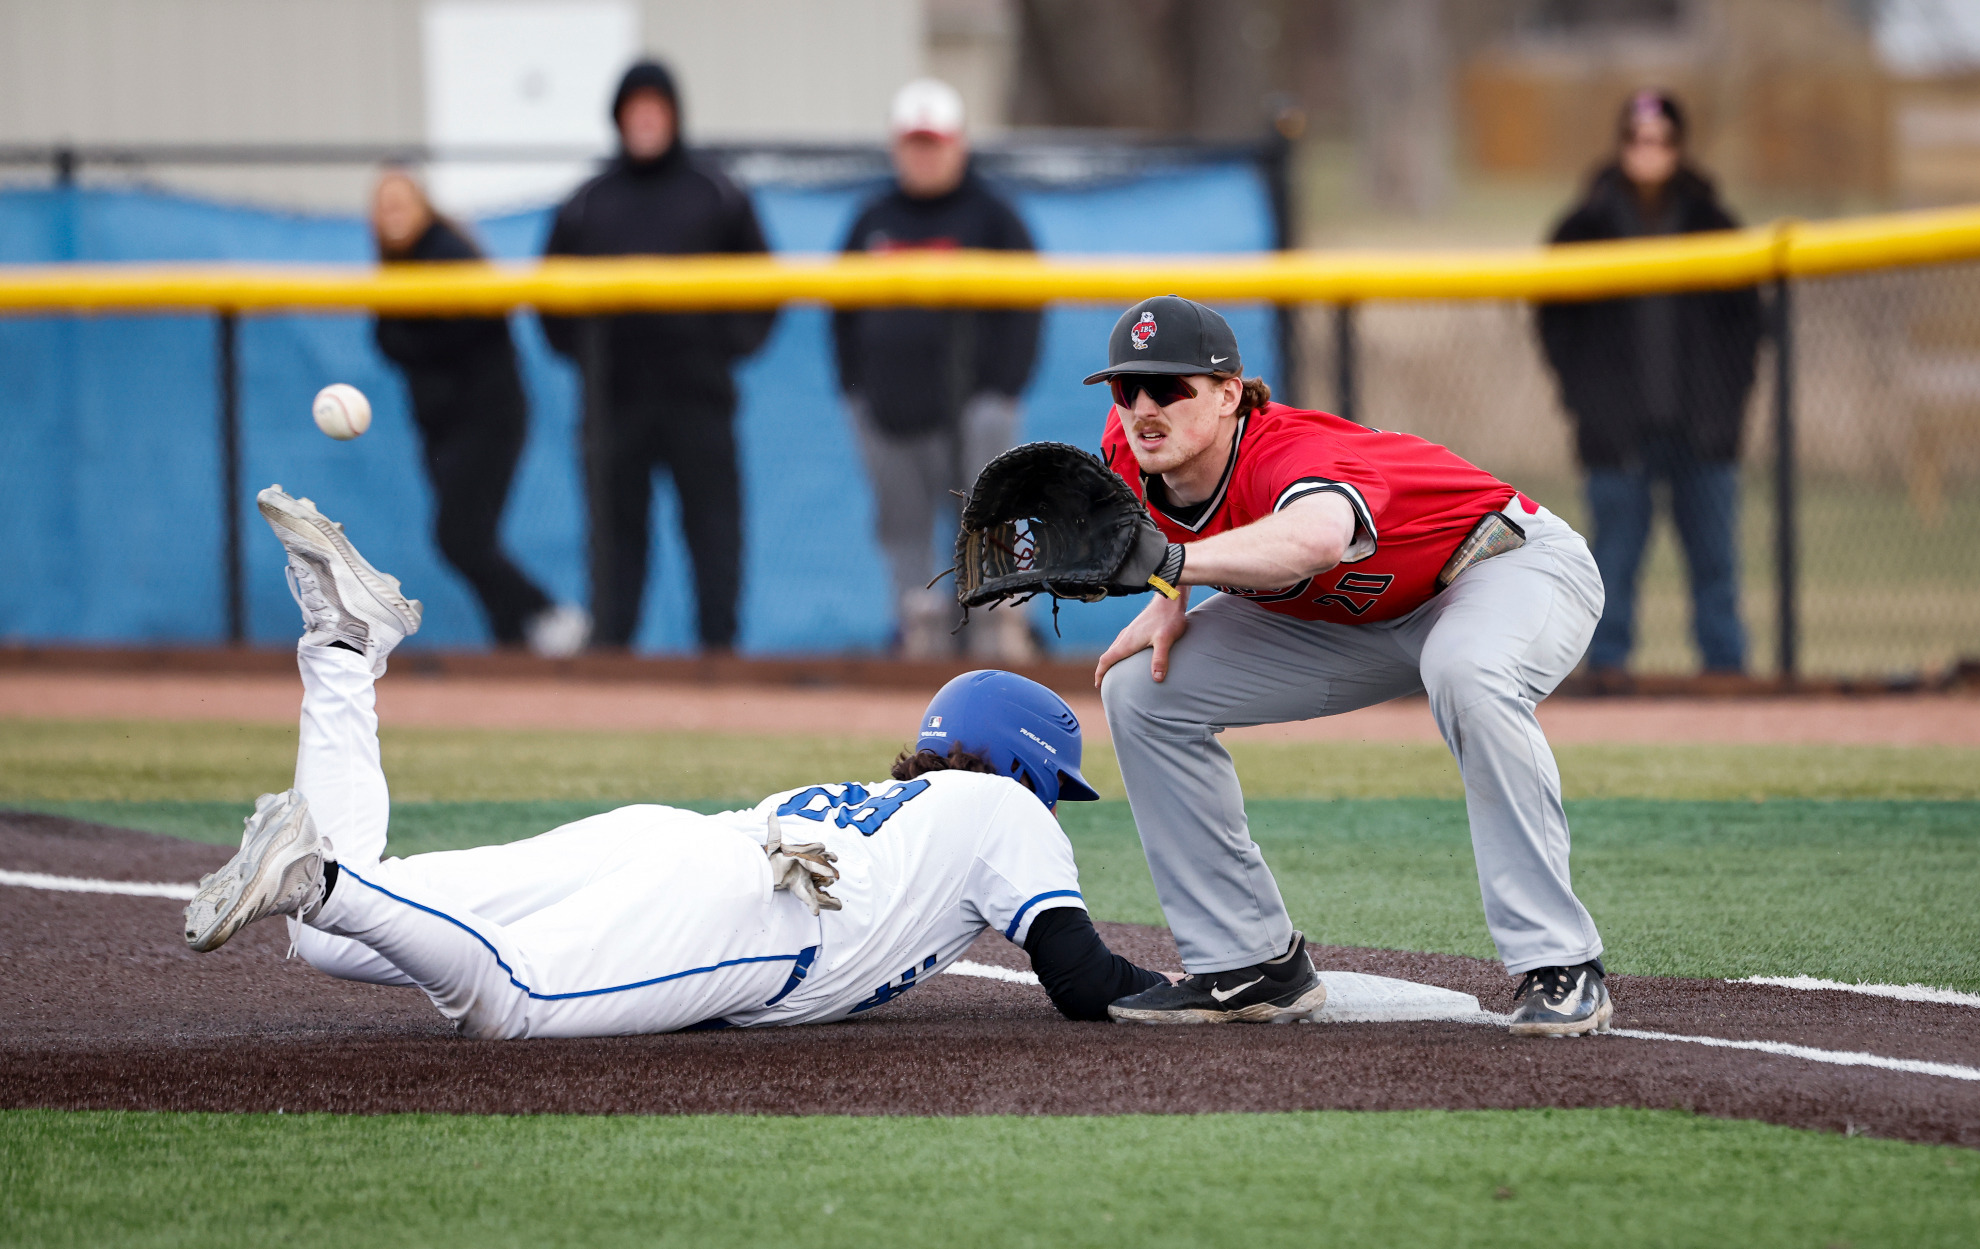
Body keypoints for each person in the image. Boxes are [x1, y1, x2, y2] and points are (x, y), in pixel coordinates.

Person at [182, 485, 1164, 1036]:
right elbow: (1079, 980)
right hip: (764, 911)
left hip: (680, 843)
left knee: (335, 929)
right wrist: (1202, 992)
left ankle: (343, 651)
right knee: (509, 1003)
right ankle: (310, 872)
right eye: (1054, 788)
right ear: (1022, 767)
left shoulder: (899, 804)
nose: (1055, 807)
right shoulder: (1007, 814)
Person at [1083, 296, 1613, 1036]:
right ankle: (1250, 963)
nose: (1143, 406)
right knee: (1143, 687)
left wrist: (1174, 565)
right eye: (1125, 388)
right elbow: (1169, 522)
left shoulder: (1294, 455)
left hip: (1499, 569)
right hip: (1352, 617)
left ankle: (1561, 961)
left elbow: (1318, 538)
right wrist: (1173, 591)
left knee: (1466, 670)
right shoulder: (1129, 447)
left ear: (1230, 393)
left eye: (1170, 387)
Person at [541, 60, 775, 653]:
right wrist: (590, 363)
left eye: (656, 107)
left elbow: (763, 282)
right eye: (634, 108)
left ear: (674, 115)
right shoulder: (588, 202)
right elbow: (550, 295)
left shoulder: (715, 191)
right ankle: (613, 657)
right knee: (615, 537)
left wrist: (725, 346)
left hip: (697, 396)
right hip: (615, 399)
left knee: (713, 531)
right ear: (618, 118)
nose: (645, 119)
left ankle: (718, 657)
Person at [1535, 91, 1763, 683]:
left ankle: (1727, 677)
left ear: (1679, 147)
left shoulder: (1714, 222)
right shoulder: (1583, 227)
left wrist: (1727, 404)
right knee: (1610, 565)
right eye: (1638, 139)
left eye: (1661, 139)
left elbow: (1750, 326)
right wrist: (1585, 401)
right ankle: (1608, 678)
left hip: (1703, 432)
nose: (1649, 151)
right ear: (1622, 145)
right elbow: (1553, 324)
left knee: (1716, 567)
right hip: (1618, 434)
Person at [834, 79, 1042, 660]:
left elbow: (1028, 307)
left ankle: (998, 641)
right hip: (890, 408)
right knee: (902, 531)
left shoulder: (993, 217)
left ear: (960, 146)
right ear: (897, 148)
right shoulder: (872, 219)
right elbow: (840, 312)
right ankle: (917, 645)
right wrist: (855, 391)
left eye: (935, 143)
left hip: (973, 406)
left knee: (990, 521)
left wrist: (1001, 390)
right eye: (914, 144)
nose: (924, 156)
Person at [370, 169, 588, 657]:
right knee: (469, 540)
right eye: (384, 206)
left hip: (488, 418)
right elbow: (388, 339)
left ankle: (549, 613)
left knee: (460, 537)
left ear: (424, 206)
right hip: (441, 428)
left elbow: (449, 336)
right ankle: (513, 643)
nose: (393, 213)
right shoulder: (392, 270)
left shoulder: (448, 253)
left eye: (401, 202)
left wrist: (412, 339)